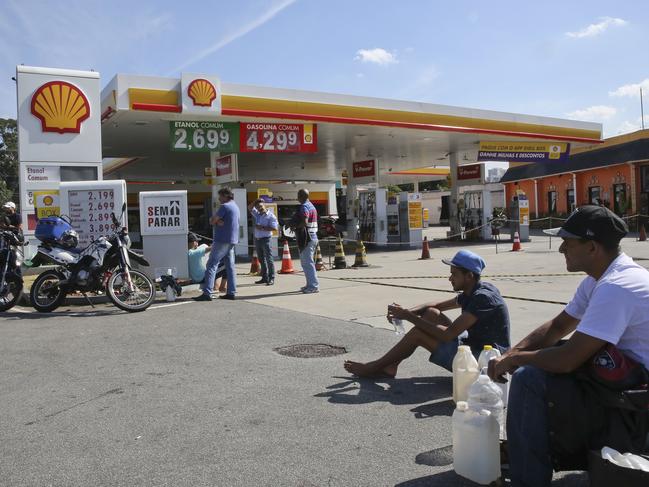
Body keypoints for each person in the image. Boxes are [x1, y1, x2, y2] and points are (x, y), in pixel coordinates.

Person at [488, 205, 649, 487]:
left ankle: (529, 480)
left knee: (530, 378)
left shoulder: (617, 286)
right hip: (622, 372)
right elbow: (558, 326)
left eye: (568, 241)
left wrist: (516, 361)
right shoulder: (599, 279)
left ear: (592, 247)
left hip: (638, 388)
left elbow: (568, 360)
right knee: (536, 359)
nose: (561, 248)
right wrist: (511, 353)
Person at [344, 250, 511, 378]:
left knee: (418, 333)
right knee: (431, 312)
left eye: (454, 274)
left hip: (485, 361)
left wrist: (410, 317)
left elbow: (448, 335)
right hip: (475, 346)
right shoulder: (473, 290)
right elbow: (437, 306)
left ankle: (375, 367)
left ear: (469, 276)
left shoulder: (483, 298)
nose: (450, 278)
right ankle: (390, 366)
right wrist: (405, 312)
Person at [193, 187, 240, 301]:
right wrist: (218, 221)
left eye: (220, 196)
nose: (219, 198)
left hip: (222, 240)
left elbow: (212, 220)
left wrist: (215, 221)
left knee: (211, 264)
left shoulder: (224, 207)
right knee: (230, 266)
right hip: (232, 240)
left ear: (225, 196)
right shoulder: (235, 206)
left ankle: (207, 293)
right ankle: (231, 292)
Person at [290, 189, 319, 294]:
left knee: (307, 263)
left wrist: (295, 227)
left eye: (298, 195)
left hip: (307, 238)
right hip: (313, 237)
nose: (297, 197)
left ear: (301, 196)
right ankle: (309, 284)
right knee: (307, 263)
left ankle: (313, 286)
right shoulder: (311, 205)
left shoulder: (304, 207)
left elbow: (305, 222)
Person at [248, 198, 278, 285]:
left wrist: (262, 228)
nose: (259, 208)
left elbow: (274, 228)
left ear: (264, 205)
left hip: (266, 239)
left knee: (269, 259)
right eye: (257, 207)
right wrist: (255, 200)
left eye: (260, 206)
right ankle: (264, 277)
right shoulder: (257, 214)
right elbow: (249, 207)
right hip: (257, 240)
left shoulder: (271, 216)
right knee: (261, 259)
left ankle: (271, 277)